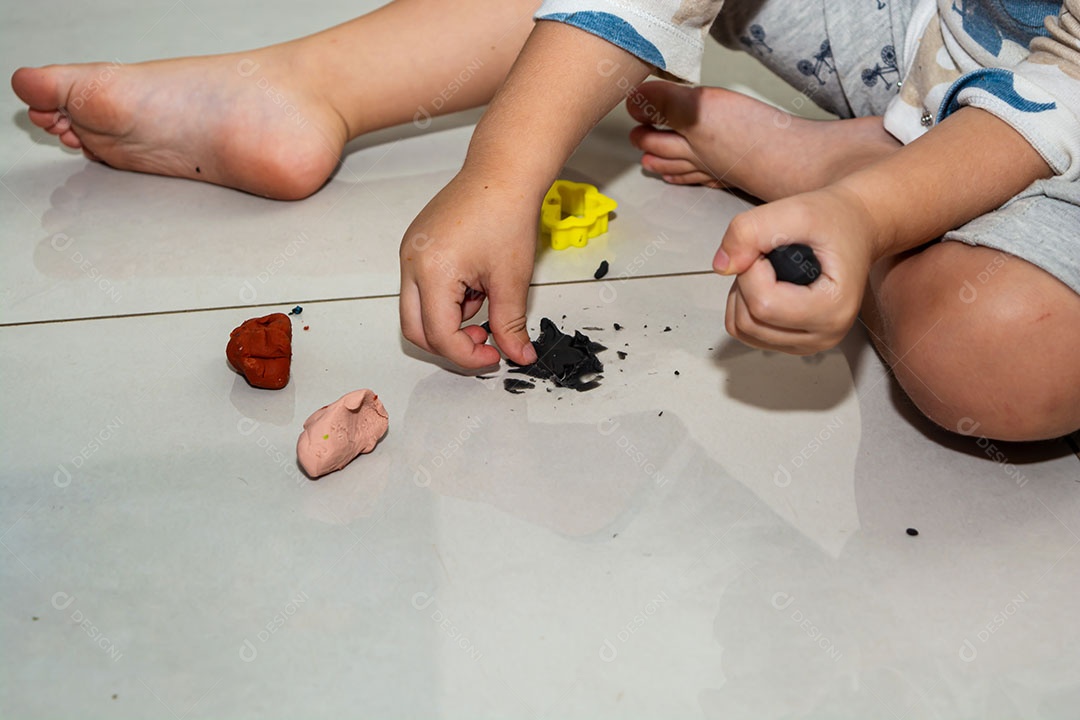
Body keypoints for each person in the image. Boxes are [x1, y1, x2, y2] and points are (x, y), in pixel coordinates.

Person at [11, 0, 1080, 441]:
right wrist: (503, 169)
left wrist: (863, 210)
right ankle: (306, 86)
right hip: (927, 31)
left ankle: (874, 184)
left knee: (993, 357)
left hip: (1056, 133)